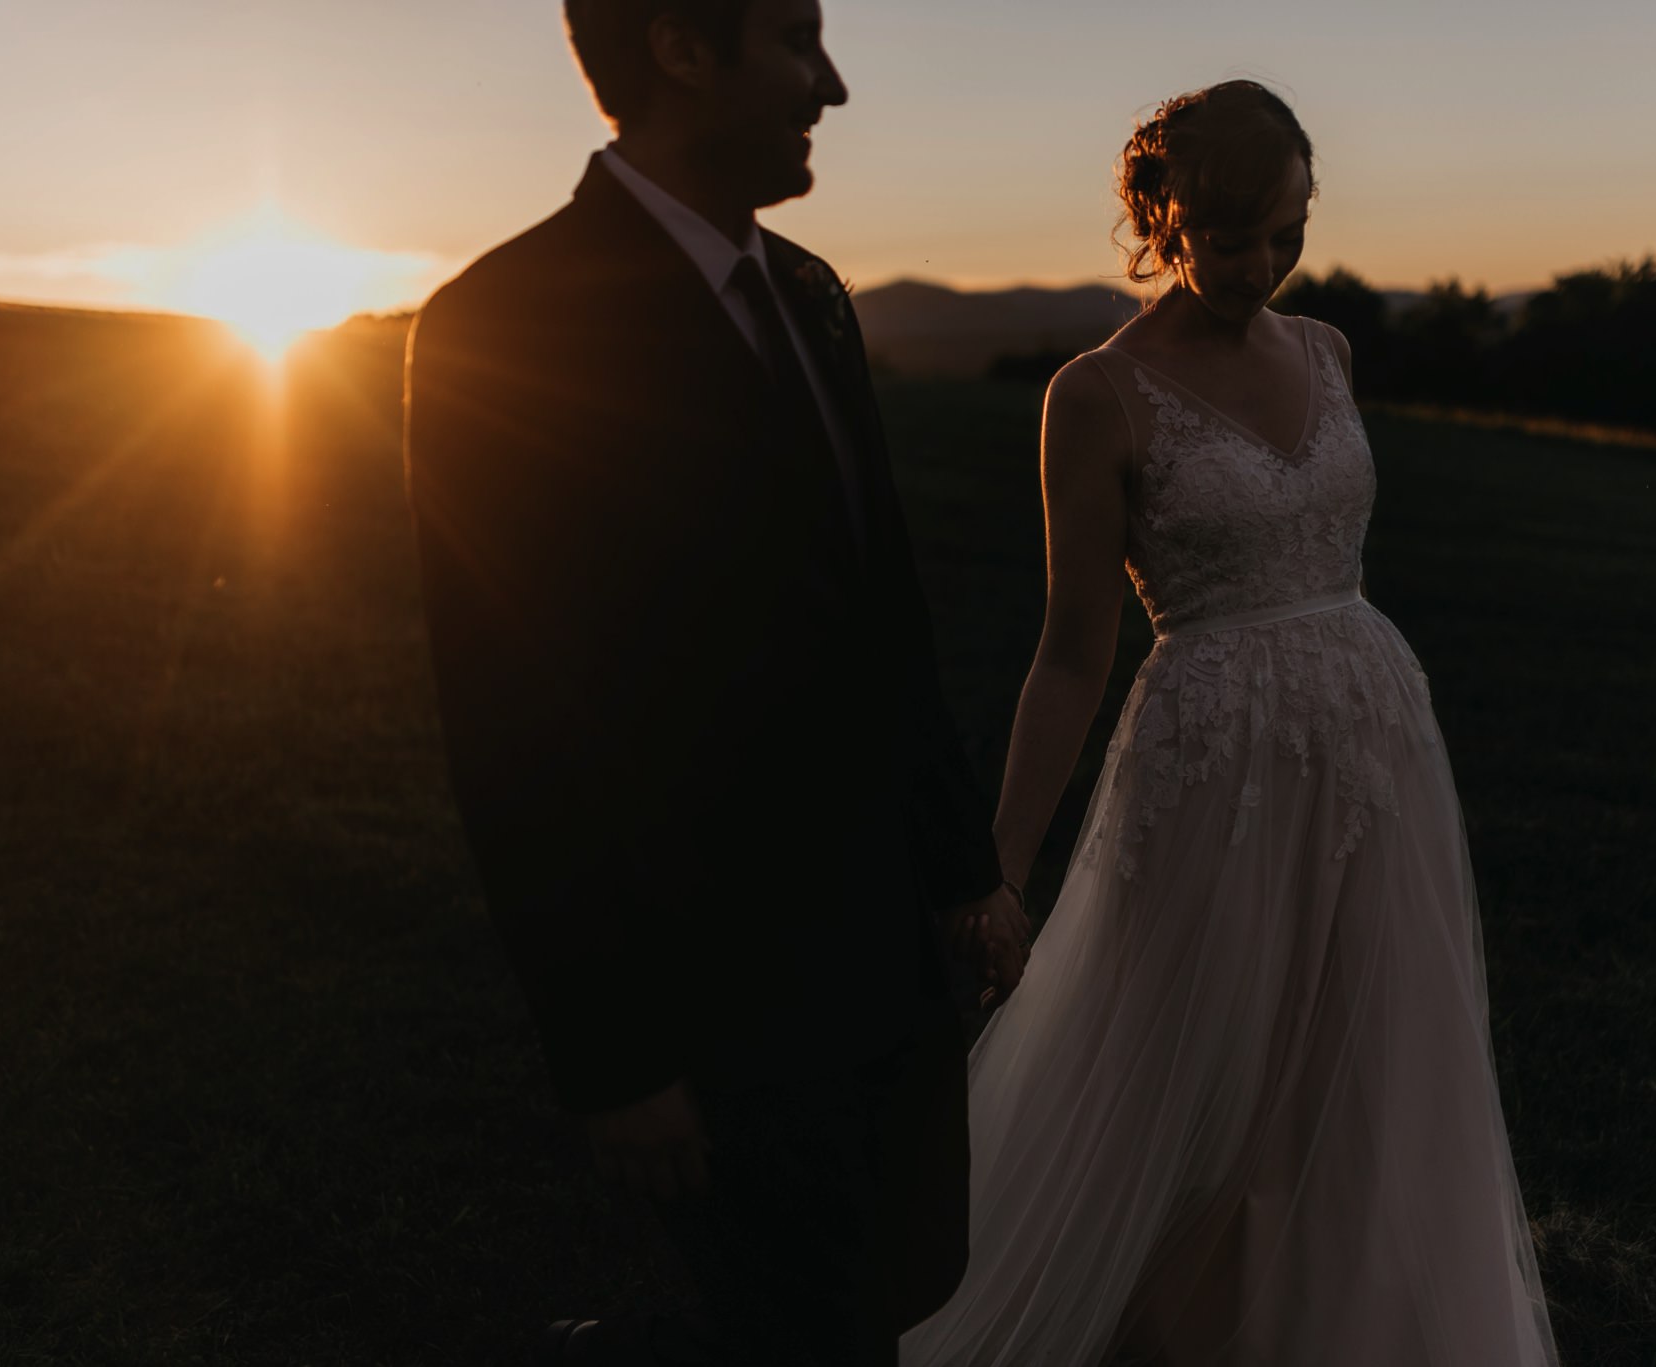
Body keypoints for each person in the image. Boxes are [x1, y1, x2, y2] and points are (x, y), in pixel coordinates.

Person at [402, 1, 1028, 1361]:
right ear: (684, 49)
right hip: (717, 991)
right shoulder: (502, 322)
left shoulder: (810, 293)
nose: (836, 85)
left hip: (883, 954)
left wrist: (962, 869)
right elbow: (508, 720)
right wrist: (614, 1055)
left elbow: (881, 611)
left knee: (904, 1286)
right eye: (800, 42)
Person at [899, 81, 1561, 1365]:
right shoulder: (1096, 395)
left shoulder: (1327, 351)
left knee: (1365, 1061)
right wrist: (997, 869)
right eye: (1231, 235)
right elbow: (1068, 649)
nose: (1261, 265)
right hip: (1214, 759)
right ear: (1163, 216)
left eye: (1286, 231)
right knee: (1198, 1072)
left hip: (1374, 737)